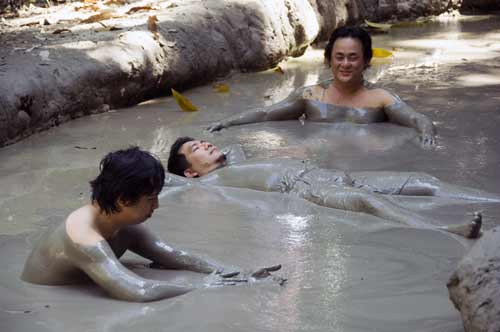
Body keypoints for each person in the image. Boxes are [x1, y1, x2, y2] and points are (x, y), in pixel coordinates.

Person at [21, 146, 283, 302]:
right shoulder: (84, 237)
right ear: (123, 200)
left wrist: (237, 271)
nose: (156, 206)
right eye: (150, 199)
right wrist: (203, 285)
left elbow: (174, 255)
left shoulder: (120, 219)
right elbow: (137, 290)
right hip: (41, 297)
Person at [166, 137, 500, 239]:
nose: (206, 145)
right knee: (363, 200)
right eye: (195, 149)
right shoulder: (206, 184)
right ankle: (447, 229)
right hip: (302, 188)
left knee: (423, 180)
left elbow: (234, 141)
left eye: (204, 141)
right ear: (190, 173)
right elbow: (165, 181)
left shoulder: (233, 159)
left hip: (331, 171)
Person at [207, 26, 435, 147]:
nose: (345, 64)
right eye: (339, 57)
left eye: (353, 57)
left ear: (366, 61)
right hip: (321, 161)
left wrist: (426, 136)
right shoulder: (310, 95)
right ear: (329, 60)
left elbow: (417, 119)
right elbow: (267, 113)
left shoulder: (380, 99)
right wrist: (228, 122)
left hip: (366, 165)